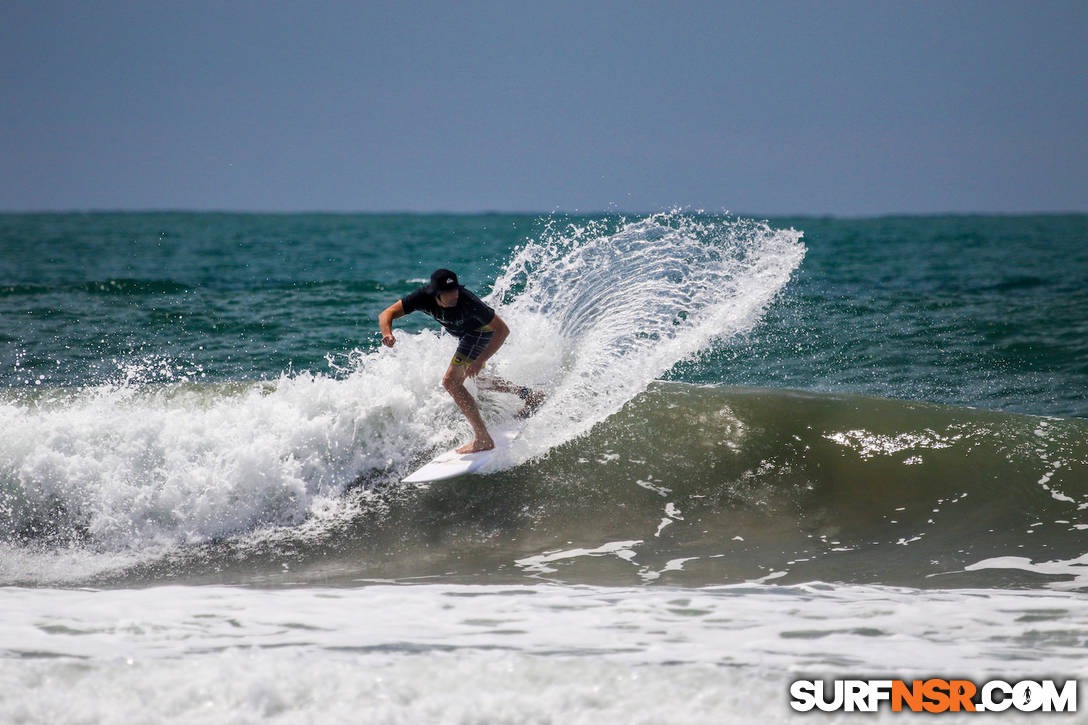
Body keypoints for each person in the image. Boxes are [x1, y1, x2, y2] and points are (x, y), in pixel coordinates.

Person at [378, 268, 545, 453]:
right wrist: (387, 333)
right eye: (448, 292)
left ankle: (482, 438)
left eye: (455, 289)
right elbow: (387, 313)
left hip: (480, 333)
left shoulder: (468, 301)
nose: (454, 295)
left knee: (451, 382)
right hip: (466, 336)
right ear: (436, 294)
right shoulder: (421, 297)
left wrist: (479, 360)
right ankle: (528, 394)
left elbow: (502, 330)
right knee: (476, 380)